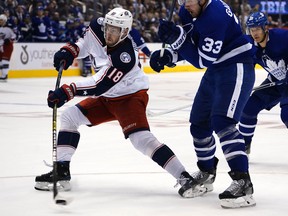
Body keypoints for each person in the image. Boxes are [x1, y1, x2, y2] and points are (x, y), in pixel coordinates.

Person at [34, 7, 206, 198]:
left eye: (115, 31)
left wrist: (69, 90)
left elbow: (99, 84)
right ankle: (62, 171)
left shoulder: (125, 56)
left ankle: (185, 179)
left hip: (129, 97)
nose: (109, 33)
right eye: (108, 28)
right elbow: (85, 43)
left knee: (141, 140)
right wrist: (71, 51)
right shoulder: (98, 27)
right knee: (69, 117)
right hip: (108, 97)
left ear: (124, 32)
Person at [149, 0, 256, 208]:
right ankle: (207, 172)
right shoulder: (189, 8)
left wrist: (177, 38)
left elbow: (202, 60)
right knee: (198, 123)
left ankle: (243, 182)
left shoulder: (215, 16)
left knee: (223, 123)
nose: (184, 4)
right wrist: (169, 54)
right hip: (217, 69)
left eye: (187, 0)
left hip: (236, 66)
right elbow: (192, 41)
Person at [239, 12, 288, 155]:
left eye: (257, 29)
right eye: (251, 29)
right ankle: (244, 147)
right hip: (275, 83)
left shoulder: (282, 37)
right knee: (248, 108)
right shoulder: (250, 46)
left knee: (286, 115)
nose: (254, 33)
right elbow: (247, 69)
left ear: (265, 27)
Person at [0, 14, 16, 81]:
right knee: (0, 61)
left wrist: (9, 40)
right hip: (1, 46)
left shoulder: (9, 28)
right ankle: (4, 74)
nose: (0, 21)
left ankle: (4, 76)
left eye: (1, 20)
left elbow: (15, 36)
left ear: (5, 21)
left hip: (7, 46)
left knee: (5, 61)